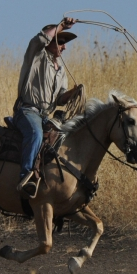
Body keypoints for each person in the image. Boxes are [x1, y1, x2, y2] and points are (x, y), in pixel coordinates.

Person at [14, 17, 82, 198]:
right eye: (61, 41)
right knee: (35, 134)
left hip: (45, 115)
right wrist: (61, 26)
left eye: (65, 43)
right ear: (49, 41)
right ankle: (26, 176)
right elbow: (38, 39)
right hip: (27, 111)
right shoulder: (35, 56)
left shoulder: (60, 70)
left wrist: (73, 93)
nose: (65, 46)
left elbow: (60, 99)